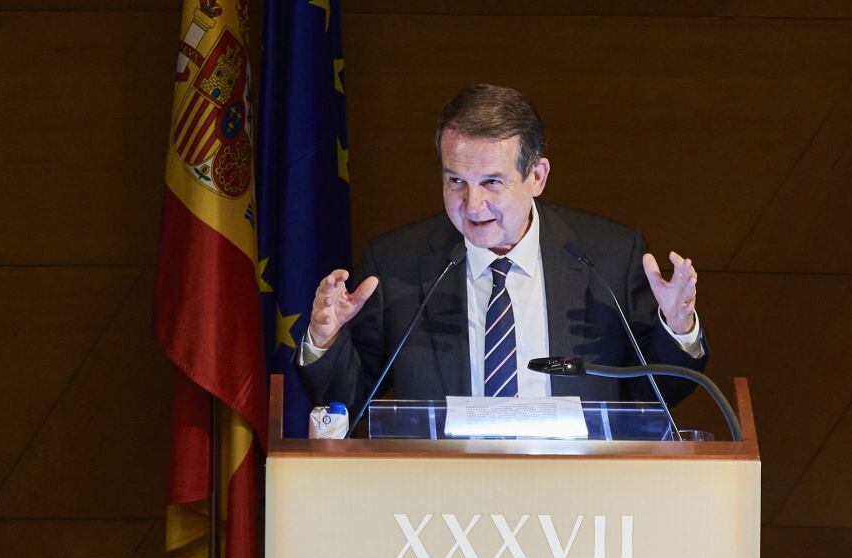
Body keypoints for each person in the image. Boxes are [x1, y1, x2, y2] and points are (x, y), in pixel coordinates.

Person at [296, 84, 707, 413]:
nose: (472, 206)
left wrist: (678, 327)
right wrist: (324, 339)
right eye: (455, 181)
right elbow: (347, 400)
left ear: (537, 176)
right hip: (439, 499)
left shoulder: (608, 257)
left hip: (580, 498)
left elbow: (658, 394)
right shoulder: (396, 263)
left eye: (492, 182)